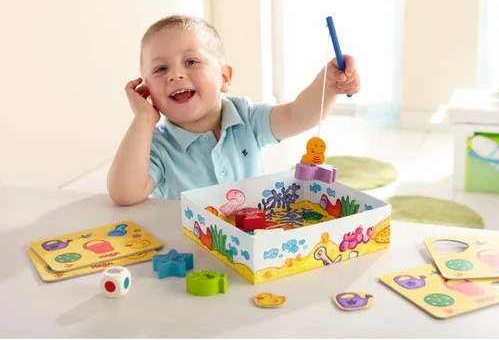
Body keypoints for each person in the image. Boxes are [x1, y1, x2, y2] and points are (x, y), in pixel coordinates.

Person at [107, 14, 361, 205]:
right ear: (148, 91)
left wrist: (327, 85)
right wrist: (144, 118)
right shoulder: (159, 147)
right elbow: (124, 193)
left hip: (257, 239)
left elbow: (298, 117)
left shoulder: (246, 117)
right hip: (193, 250)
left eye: (191, 61)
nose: (175, 75)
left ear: (224, 77)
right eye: (161, 69)